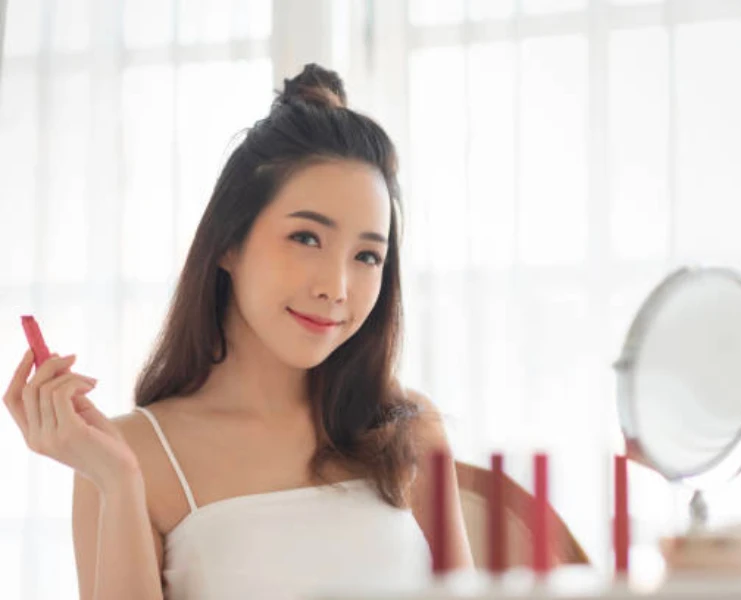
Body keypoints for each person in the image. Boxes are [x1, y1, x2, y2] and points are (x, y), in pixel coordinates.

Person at [3, 63, 473, 600]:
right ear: (230, 243)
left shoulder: (407, 429)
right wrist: (117, 482)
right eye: (306, 238)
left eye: (367, 255)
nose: (337, 287)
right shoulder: (125, 456)